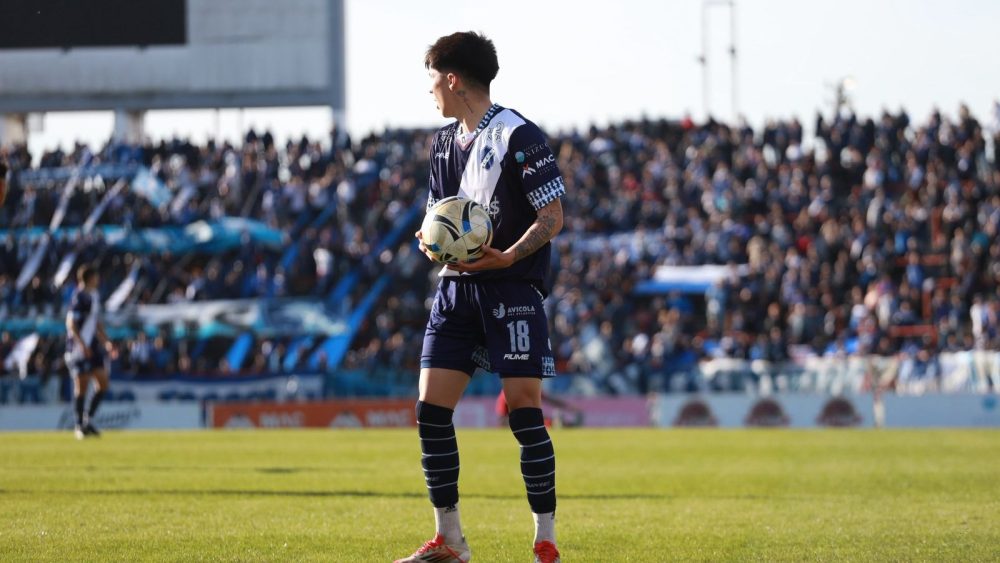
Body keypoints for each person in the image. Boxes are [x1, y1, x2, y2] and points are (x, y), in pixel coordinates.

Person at [395, 32, 564, 563]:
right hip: (455, 290)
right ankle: (450, 539)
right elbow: (436, 215)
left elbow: (552, 217)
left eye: (431, 80)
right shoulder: (443, 144)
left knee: (522, 412)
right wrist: (430, 241)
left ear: (452, 79)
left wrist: (509, 255)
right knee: (430, 411)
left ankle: (545, 540)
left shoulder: (521, 135)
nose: (429, 93)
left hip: (510, 287)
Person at [64, 266, 113, 440]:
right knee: (82, 385)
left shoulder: (94, 296)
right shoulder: (79, 296)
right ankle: (79, 426)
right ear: (90, 278)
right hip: (78, 349)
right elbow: (70, 323)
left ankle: (88, 420)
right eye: (96, 276)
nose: (99, 279)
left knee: (103, 383)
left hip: (93, 346)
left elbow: (95, 321)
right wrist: (82, 344)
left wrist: (106, 340)